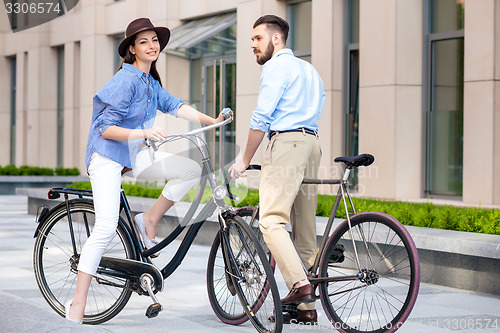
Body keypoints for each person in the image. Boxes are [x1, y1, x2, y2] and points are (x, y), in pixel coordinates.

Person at [66, 17, 228, 324]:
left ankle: (149, 219)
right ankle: (77, 303)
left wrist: (211, 119)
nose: (152, 45)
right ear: (132, 49)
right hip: (106, 157)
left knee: (190, 170)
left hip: (133, 154)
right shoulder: (125, 80)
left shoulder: (150, 83)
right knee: (105, 226)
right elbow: (104, 129)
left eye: (155, 40)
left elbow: (174, 105)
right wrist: (144, 133)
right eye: (144, 41)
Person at [228, 14, 324, 324]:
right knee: (305, 226)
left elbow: (261, 118)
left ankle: (300, 286)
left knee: (270, 221)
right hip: (312, 144)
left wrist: (244, 160)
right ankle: (306, 309)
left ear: (276, 39)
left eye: (257, 38)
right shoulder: (309, 70)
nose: (252, 45)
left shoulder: (275, 67)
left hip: (287, 144)